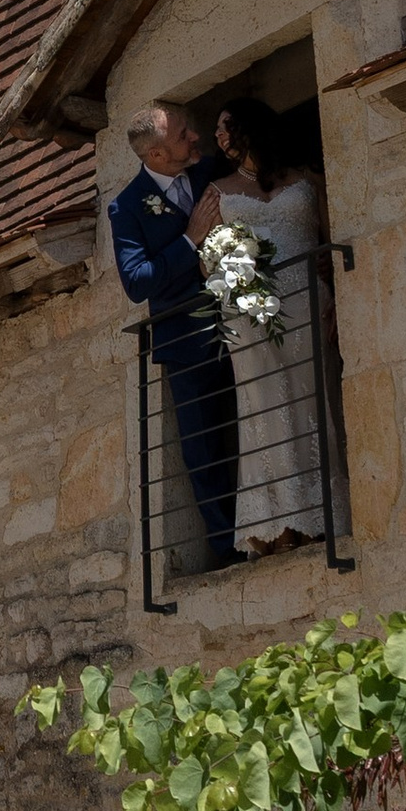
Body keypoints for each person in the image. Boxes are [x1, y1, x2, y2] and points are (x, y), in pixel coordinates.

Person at [190, 99, 330, 555]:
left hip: (308, 304)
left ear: (251, 127)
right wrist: (234, 270)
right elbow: (207, 261)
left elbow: (331, 236)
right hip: (249, 313)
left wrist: (331, 282)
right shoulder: (217, 192)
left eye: (225, 125)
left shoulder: (306, 178)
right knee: (263, 409)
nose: (218, 136)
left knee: (313, 402)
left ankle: (318, 515)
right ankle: (277, 526)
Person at [109, 102, 238, 568]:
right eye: (183, 135)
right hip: (186, 342)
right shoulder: (127, 207)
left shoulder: (211, 170)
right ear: (157, 156)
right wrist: (190, 239)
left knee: (255, 420)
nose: (195, 137)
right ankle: (226, 548)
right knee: (204, 446)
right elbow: (137, 281)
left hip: (242, 321)